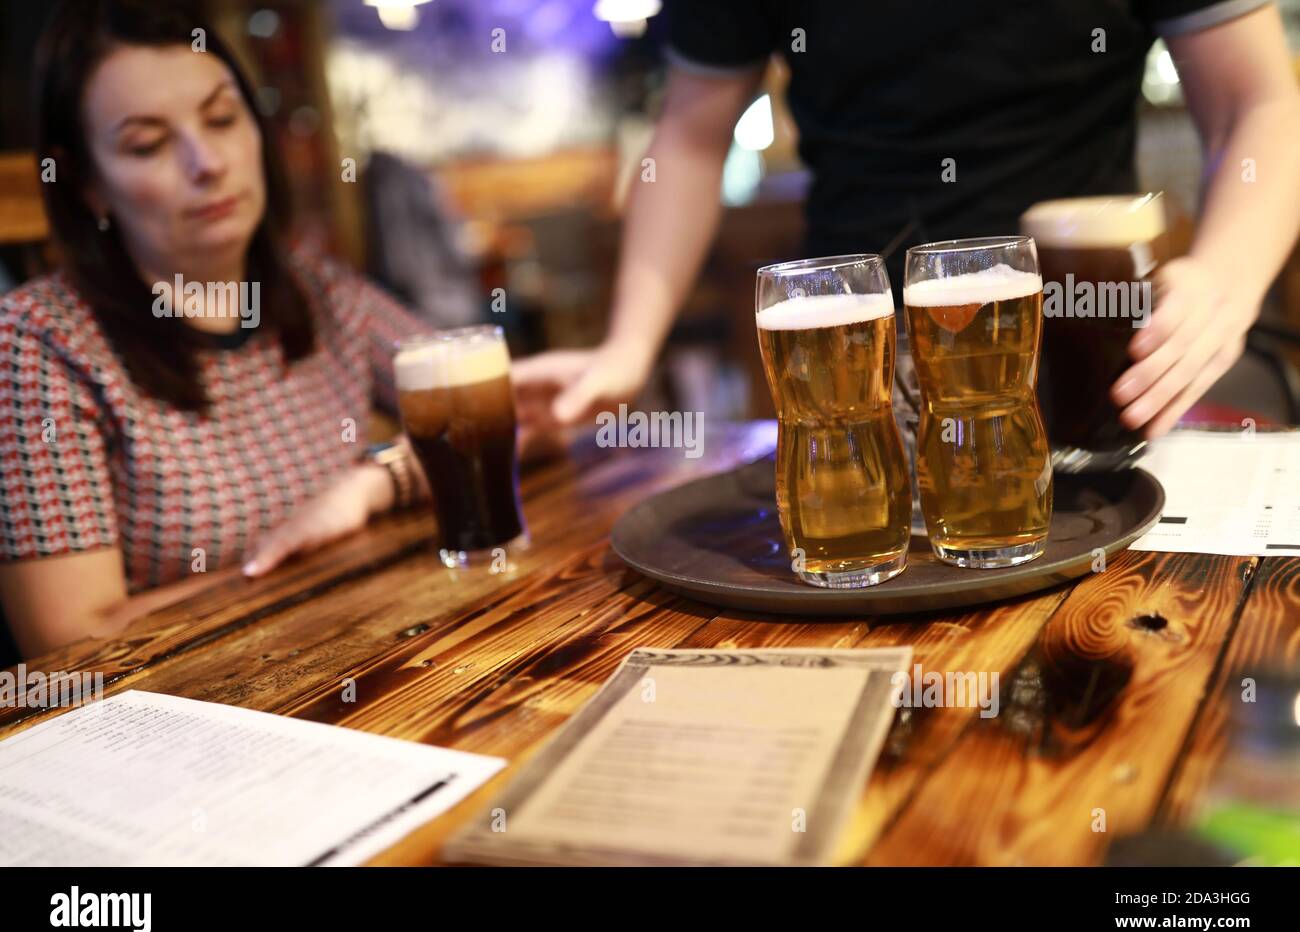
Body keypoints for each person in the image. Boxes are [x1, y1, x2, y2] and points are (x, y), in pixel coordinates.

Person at [514, 0, 1300, 451]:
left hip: (1086, 329)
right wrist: (627, 347)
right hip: (859, 349)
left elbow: (1259, 103)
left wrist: (1225, 277)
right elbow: (689, 135)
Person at [0, 0, 436, 659]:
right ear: (88, 183)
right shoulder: (40, 341)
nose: (207, 162)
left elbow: (515, 416)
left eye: (223, 118)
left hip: (357, 655)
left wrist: (374, 485)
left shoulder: (320, 292)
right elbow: (70, 639)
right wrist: (302, 561)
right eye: (147, 144)